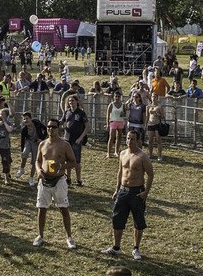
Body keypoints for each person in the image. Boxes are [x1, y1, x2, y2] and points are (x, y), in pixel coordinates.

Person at [102, 130, 155, 260]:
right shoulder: (122, 153)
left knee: (138, 220)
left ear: (138, 141)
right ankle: (116, 247)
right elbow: (120, 172)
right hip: (123, 191)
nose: (129, 141)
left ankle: (136, 248)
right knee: (117, 219)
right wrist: (117, 189)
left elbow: (150, 175)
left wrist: (146, 192)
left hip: (137, 192)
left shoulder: (142, 156)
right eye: (128, 138)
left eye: (132, 139)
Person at [34, 119, 78, 249]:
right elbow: (37, 161)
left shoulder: (64, 145)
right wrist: (39, 171)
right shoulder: (42, 144)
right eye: (48, 127)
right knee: (41, 208)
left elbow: (73, 162)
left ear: (58, 128)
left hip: (59, 180)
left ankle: (69, 237)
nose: (50, 129)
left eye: (53, 127)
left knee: (63, 208)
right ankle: (40, 235)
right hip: (44, 180)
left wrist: (61, 166)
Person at [63, 96, 89, 186]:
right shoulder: (67, 112)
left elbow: (87, 126)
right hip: (67, 140)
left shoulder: (81, 113)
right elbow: (62, 121)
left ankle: (79, 180)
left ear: (77, 102)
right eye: (70, 101)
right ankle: (68, 179)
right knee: (67, 161)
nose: (71, 102)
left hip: (76, 141)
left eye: (73, 101)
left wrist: (80, 138)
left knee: (77, 161)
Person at [17, 111, 46, 187]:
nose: (26, 120)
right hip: (28, 141)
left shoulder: (37, 123)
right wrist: (22, 150)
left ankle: (31, 178)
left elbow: (46, 129)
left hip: (36, 142)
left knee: (34, 161)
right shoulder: (24, 129)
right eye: (24, 119)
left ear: (30, 118)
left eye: (27, 118)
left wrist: (42, 139)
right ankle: (22, 169)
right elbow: (22, 141)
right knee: (24, 153)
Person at [106, 91, 127, 158]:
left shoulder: (123, 105)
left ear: (120, 97)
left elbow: (124, 114)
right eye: (116, 96)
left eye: (118, 96)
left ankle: (116, 151)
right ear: (114, 97)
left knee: (119, 137)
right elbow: (107, 115)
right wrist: (107, 124)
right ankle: (108, 153)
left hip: (120, 122)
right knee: (111, 137)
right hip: (113, 122)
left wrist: (123, 114)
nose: (117, 98)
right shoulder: (111, 105)